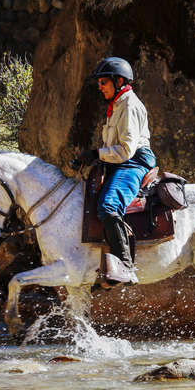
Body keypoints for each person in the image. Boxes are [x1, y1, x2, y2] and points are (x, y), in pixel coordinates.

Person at [77, 56, 156, 287]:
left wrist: (96, 154)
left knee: (108, 204)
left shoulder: (129, 105)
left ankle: (125, 265)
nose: (99, 87)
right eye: (99, 83)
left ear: (119, 80)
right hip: (120, 162)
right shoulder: (117, 105)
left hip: (133, 163)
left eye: (103, 82)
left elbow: (126, 150)